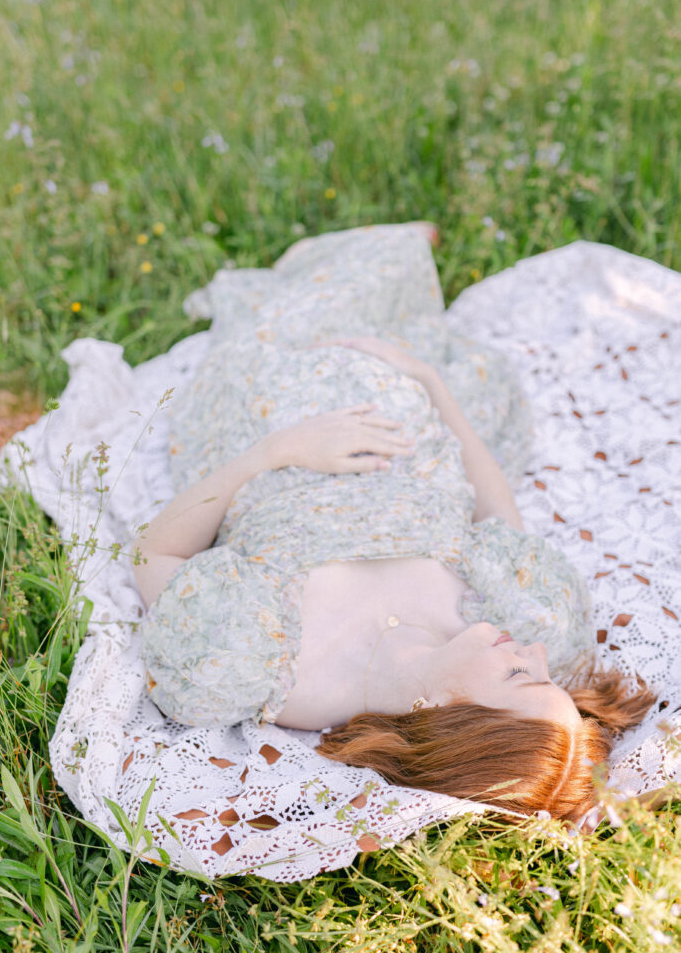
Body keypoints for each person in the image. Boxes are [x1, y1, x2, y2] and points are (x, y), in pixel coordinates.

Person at [133, 223, 653, 824]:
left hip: (270, 420)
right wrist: (433, 385)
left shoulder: (266, 670)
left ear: (442, 713)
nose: (536, 653)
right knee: (388, 291)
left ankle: (310, 267)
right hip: (408, 411)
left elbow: (155, 555)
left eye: (520, 674)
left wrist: (275, 451)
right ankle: (339, 276)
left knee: (322, 307)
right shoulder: (506, 618)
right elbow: (499, 515)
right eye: (544, 674)